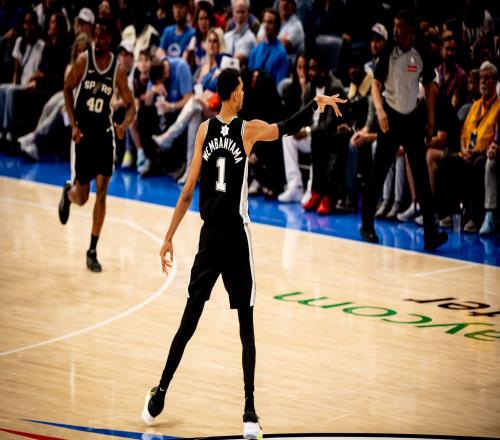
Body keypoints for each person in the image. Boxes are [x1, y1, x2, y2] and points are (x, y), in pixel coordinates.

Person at [141, 68, 345, 439]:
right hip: (236, 236)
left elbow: (187, 190)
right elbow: (286, 127)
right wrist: (316, 104)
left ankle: (159, 395)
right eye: (241, 90)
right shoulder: (247, 130)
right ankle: (250, 414)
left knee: (188, 323)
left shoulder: (204, 130)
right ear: (234, 94)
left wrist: (168, 237)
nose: (244, 95)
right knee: (246, 327)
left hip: (208, 238)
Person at [360, 9, 448, 251]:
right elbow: (375, 85)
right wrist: (380, 111)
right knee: (378, 174)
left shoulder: (422, 52)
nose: (395, 31)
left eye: (400, 27)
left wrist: (431, 118)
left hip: (413, 119)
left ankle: (431, 234)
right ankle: (367, 225)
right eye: (394, 27)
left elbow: (428, 85)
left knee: (421, 176)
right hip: (390, 117)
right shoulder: (388, 51)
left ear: (411, 31)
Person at [58, 18, 136, 272]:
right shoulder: (84, 60)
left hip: (104, 135)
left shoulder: (117, 70)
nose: (98, 40)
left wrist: (124, 125)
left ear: (110, 39)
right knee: (82, 198)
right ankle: (68, 194)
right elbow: (67, 88)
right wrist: (73, 125)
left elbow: (132, 105)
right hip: (83, 135)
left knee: (102, 191)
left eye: (102, 36)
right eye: (96, 35)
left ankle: (92, 250)